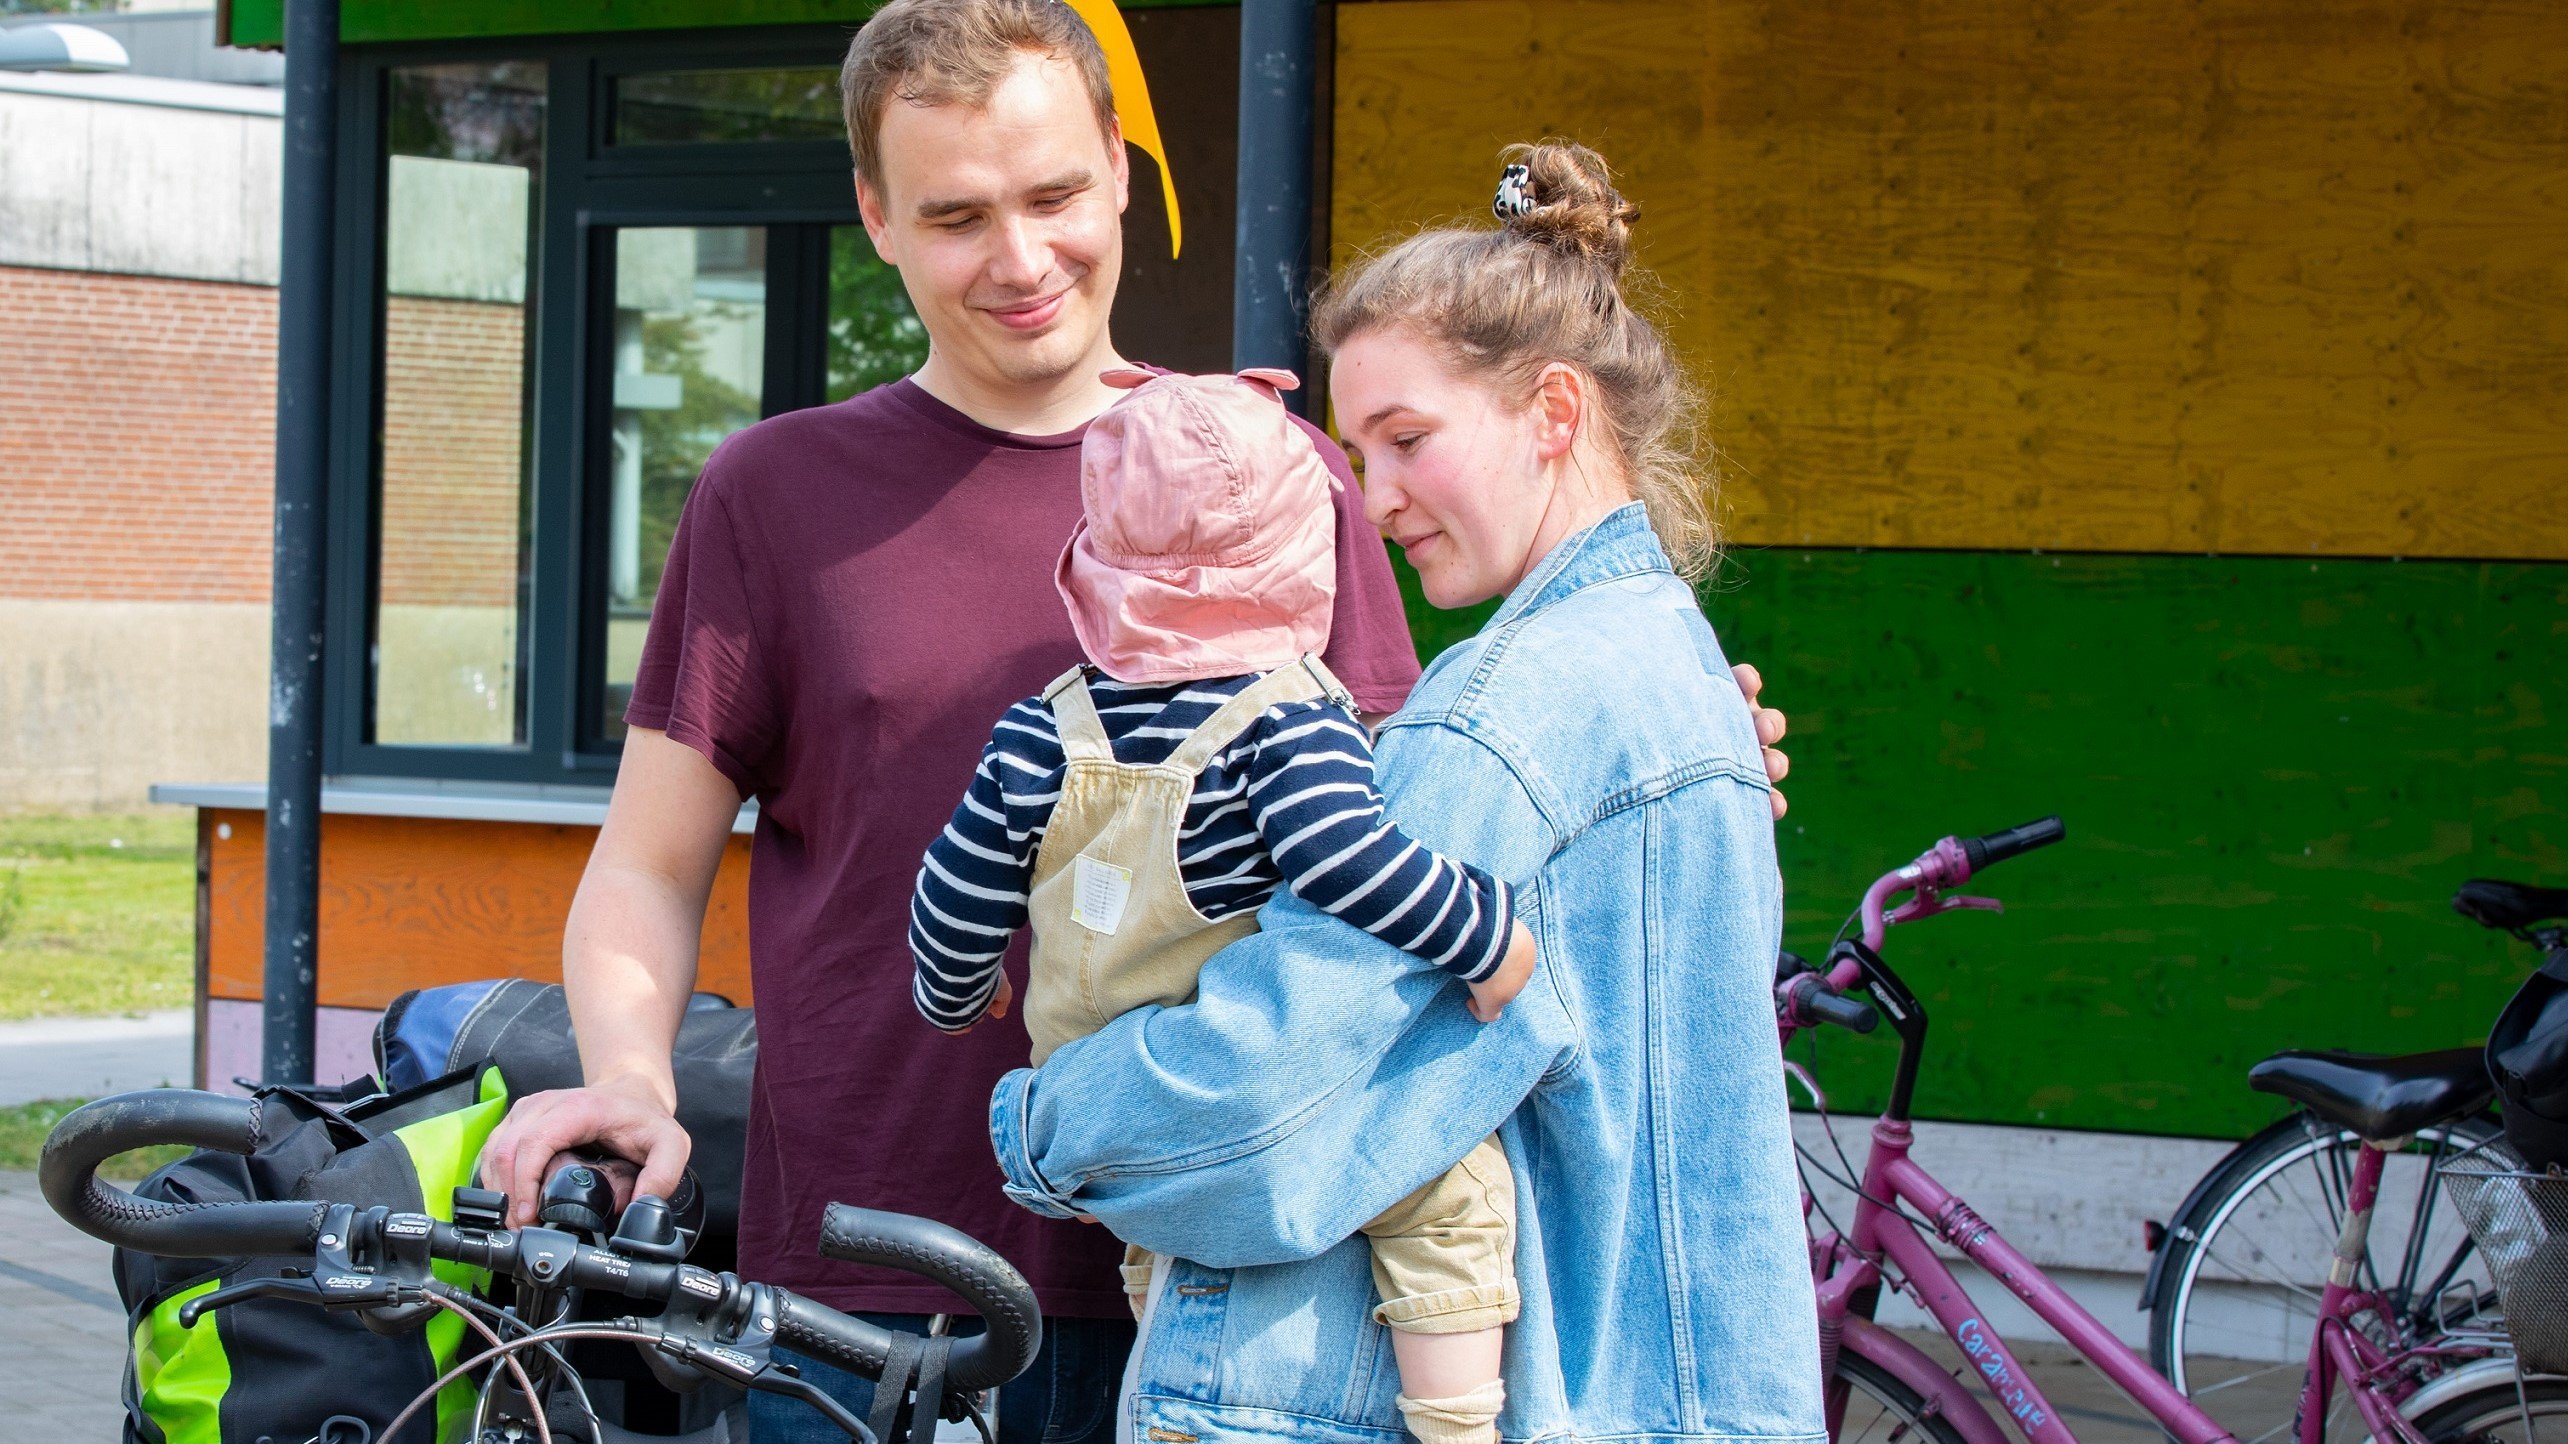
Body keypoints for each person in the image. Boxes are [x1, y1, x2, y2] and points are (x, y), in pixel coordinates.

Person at [472, 0, 1794, 1433]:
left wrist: (1644, 759)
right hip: (865, 1284)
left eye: (1052, 195)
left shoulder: (1280, 470)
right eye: (959, 214)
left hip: (1221, 1284)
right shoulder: (772, 495)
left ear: (1118, 166)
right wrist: (628, 1079)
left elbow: (1385, 844)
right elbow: (649, 868)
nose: (1022, 258)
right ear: (877, 215)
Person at [989, 142, 1826, 1444]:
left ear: (1555, 413)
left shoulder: (1496, 718)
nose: (1374, 504)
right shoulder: (1680, 674)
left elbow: (1266, 1105)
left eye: (1408, 440)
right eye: (1355, 456)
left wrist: (1045, 1120)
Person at [912, 365, 1537, 1444]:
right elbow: (1350, 859)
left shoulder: (1038, 728)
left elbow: (953, 889)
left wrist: (960, 988)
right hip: (1231, 1088)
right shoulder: (1285, 722)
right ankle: (1459, 1423)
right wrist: (1483, 936)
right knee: (1448, 1187)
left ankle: (1175, 1395)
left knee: (1163, 1242)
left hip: (1104, 1109)